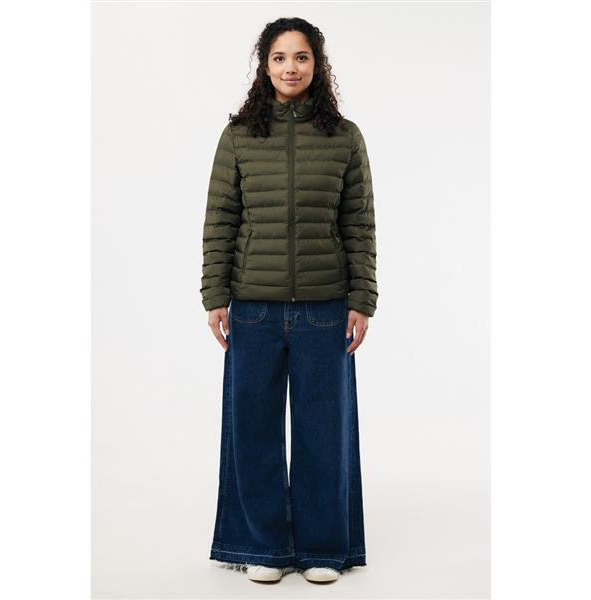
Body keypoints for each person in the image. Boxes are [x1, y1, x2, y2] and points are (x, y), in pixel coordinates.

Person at [200, 17, 378, 584]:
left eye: (301, 57)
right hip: (252, 306)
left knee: (323, 430)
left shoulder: (344, 136)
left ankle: (323, 548)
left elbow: (359, 224)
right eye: (279, 58)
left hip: (325, 308)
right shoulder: (239, 136)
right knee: (252, 428)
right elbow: (221, 219)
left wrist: (362, 298)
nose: (291, 68)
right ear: (265, 66)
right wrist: (214, 294)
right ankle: (263, 546)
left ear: (317, 65)